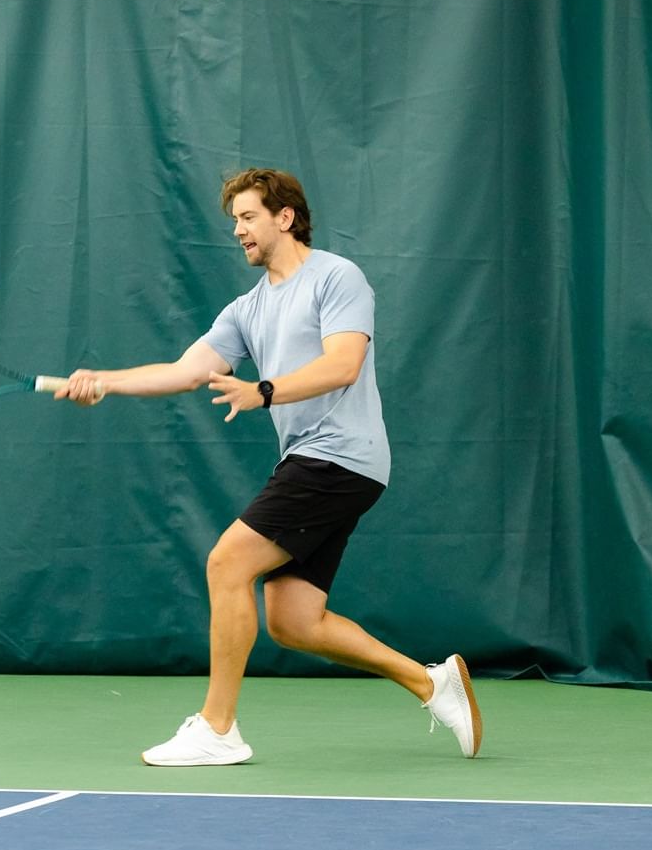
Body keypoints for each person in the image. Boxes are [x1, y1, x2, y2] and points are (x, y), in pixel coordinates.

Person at [57, 168, 482, 766]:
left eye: (249, 217)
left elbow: (343, 365)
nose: (238, 230)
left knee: (227, 564)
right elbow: (185, 370)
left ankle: (217, 728)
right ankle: (431, 683)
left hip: (338, 454)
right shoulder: (248, 308)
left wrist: (263, 390)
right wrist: (105, 382)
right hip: (320, 460)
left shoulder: (336, 277)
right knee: (294, 621)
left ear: (285, 217)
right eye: (234, 220)